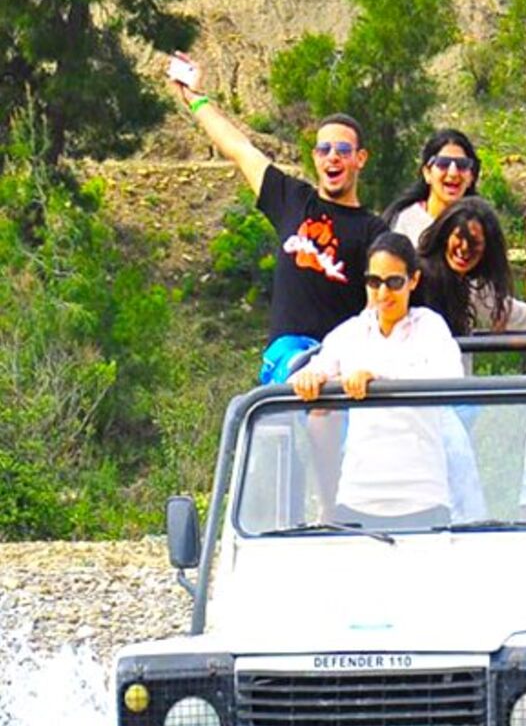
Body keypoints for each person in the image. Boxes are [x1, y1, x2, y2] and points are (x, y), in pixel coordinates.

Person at [166, 51, 386, 381]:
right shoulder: (292, 200)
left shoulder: (375, 231)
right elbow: (240, 149)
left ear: (360, 159)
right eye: (324, 150)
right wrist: (196, 99)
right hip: (290, 355)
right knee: (303, 380)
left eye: (342, 151)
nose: (332, 158)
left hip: (342, 360)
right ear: (315, 157)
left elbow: (382, 305)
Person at [287, 233, 465, 527]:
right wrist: (309, 378)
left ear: (413, 281)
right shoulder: (351, 332)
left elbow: (450, 377)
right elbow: (313, 370)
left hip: (422, 496)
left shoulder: (431, 327)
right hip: (358, 496)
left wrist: (378, 376)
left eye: (394, 282)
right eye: (374, 282)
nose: (383, 294)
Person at [416, 197, 526, 338]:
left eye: (474, 242)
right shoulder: (421, 280)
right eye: (459, 237)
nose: (464, 248)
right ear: (445, 236)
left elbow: (513, 315)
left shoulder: (468, 285)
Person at [383, 129, 480, 243]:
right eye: (443, 163)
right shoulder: (406, 223)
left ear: (471, 177)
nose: (453, 173)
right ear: (427, 173)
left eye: (462, 165)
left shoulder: (479, 227)